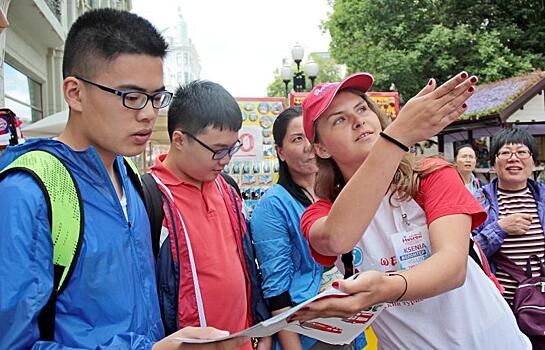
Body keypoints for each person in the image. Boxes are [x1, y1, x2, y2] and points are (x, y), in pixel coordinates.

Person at [0, 9, 246, 350]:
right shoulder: (27, 192)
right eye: (131, 97)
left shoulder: (130, 181)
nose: (147, 113)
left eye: (157, 97)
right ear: (74, 93)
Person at [291, 72, 531, 349]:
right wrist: (396, 137)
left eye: (361, 109)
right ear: (320, 148)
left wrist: (387, 288)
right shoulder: (320, 212)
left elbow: (453, 267)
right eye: (340, 120)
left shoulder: (432, 174)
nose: (358, 121)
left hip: (489, 340)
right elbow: (337, 239)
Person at [148, 80, 270, 350]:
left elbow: (247, 265)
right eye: (218, 150)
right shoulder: (150, 197)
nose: (226, 159)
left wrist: (261, 328)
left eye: (232, 148)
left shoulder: (227, 188)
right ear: (179, 139)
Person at [250, 107, 363, 350]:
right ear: (280, 152)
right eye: (297, 139)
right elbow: (276, 292)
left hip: (350, 323)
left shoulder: (340, 192)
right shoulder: (273, 205)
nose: (308, 146)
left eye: (311, 136)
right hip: (308, 334)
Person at [472, 128, 545, 304]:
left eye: (522, 152)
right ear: (493, 163)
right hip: (499, 304)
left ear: (534, 162)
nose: (514, 158)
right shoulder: (477, 202)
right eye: (505, 153)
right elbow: (467, 254)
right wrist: (499, 228)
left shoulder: (543, 197)